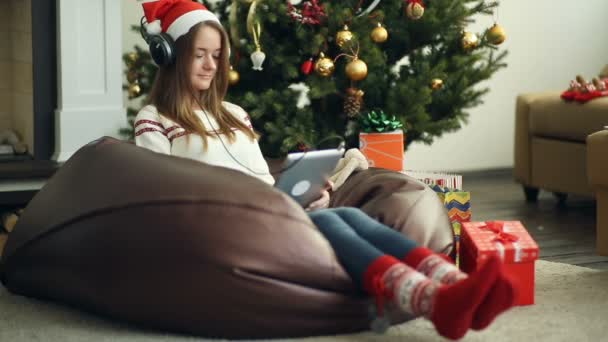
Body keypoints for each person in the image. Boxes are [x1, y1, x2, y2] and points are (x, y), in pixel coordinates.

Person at [134, 1, 516, 340]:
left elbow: (264, 178)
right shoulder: (154, 119)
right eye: (199, 54)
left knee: (343, 213)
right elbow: (162, 187)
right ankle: (431, 299)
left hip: (271, 209)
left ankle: (453, 285)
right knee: (334, 223)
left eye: (217, 56)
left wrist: (302, 194)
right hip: (225, 225)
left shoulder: (234, 114)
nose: (210, 65)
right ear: (170, 55)